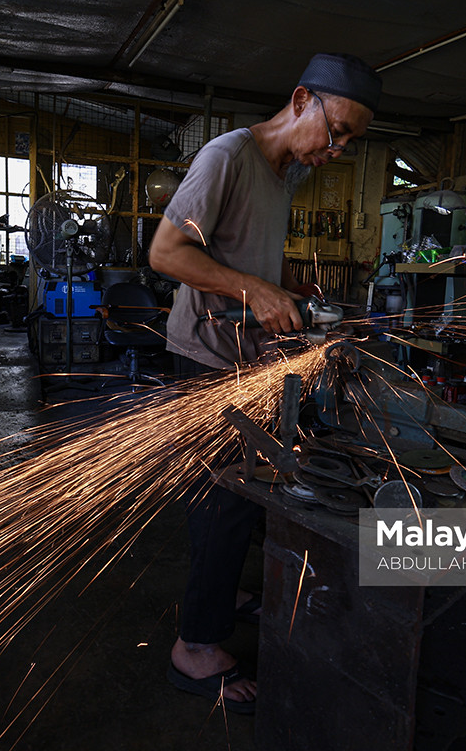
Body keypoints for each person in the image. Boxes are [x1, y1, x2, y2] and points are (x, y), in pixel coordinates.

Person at [148, 53, 381, 713]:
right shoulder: (227, 157)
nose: (336, 151)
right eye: (336, 133)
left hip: (246, 358)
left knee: (236, 500)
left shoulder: (285, 176)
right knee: (224, 504)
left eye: (350, 144)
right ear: (302, 99)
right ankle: (194, 648)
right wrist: (251, 288)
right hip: (206, 358)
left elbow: (243, 253)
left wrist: (284, 285)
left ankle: (222, 596)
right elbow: (166, 254)